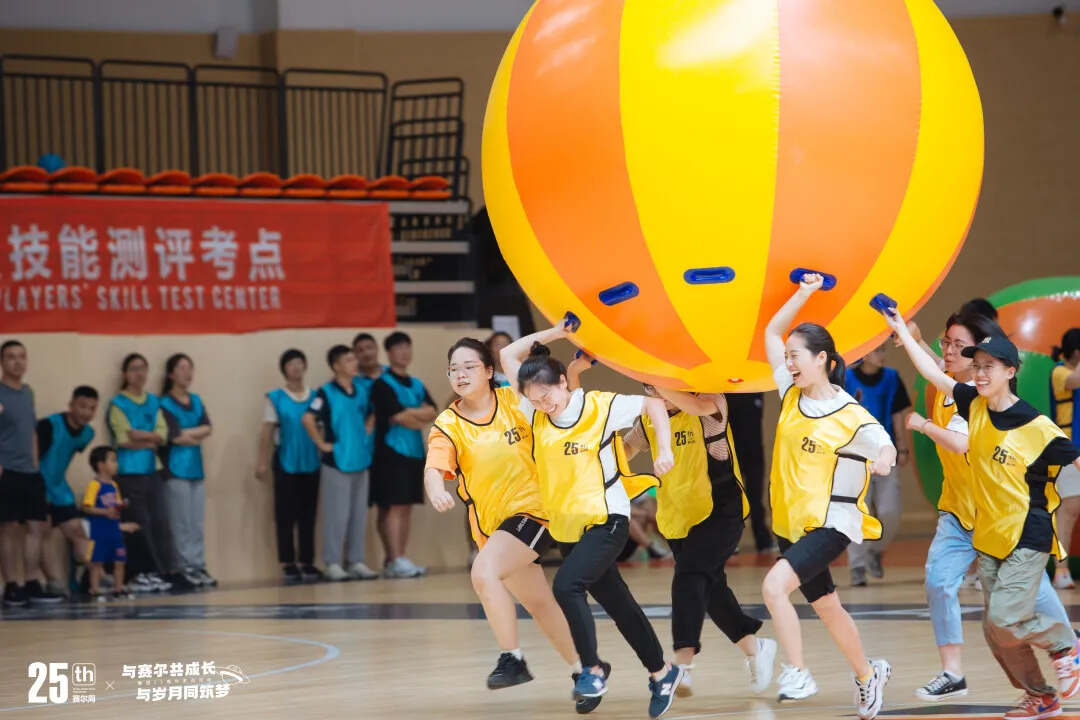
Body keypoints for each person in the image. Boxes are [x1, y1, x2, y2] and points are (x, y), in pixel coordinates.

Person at [888, 310, 1080, 719]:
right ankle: (1041, 696)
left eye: (988, 367)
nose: (979, 373)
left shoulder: (1035, 425)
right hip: (987, 536)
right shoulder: (972, 404)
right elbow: (932, 371)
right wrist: (902, 330)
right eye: (975, 367)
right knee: (996, 631)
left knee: (1004, 618)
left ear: (1010, 371)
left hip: (1025, 535)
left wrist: (922, 426)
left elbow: (1075, 459)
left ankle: (1066, 645)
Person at [501, 323, 685, 720]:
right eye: (534, 398)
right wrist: (556, 331)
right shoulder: (533, 412)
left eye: (547, 394)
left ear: (563, 383)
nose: (542, 403)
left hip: (607, 519)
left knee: (567, 586)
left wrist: (664, 449)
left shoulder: (599, 406)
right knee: (619, 605)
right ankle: (662, 672)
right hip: (568, 527)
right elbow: (507, 356)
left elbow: (653, 406)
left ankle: (592, 670)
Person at [760, 274, 894, 719]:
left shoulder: (850, 414)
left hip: (831, 523)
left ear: (822, 359)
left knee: (773, 587)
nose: (788, 362)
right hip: (791, 523)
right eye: (787, 357)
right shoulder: (790, 393)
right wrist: (804, 293)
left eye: (795, 356)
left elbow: (884, 444)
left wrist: (884, 460)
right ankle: (868, 674)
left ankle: (798, 671)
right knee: (827, 606)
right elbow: (772, 332)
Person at [425, 338, 585, 701]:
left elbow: (554, 397)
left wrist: (559, 335)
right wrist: (435, 489)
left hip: (535, 511)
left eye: (469, 367)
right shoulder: (448, 423)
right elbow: (434, 466)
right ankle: (585, 668)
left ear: (489, 371)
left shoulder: (515, 400)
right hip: (493, 529)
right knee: (539, 603)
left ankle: (512, 659)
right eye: (454, 369)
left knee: (483, 573)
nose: (461, 374)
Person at [619, 383, 777, 697]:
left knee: (689, 576)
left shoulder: (710, 402)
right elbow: (625, 450)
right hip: (679, 517)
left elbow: (695, 406)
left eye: (659, 385)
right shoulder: (649, 419)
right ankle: (756, 647)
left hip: (721, 510)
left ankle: (683, 665)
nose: (655, 393)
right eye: (649, 387)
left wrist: (660, 383)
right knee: (712, 591)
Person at [108, 353, 188, 591]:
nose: (139, 373)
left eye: (143, 368)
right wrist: (147, 438)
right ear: (125, 374)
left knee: (161, 521)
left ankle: (168, 570)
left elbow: (162, 436)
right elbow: (123, 439)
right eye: (134, 369)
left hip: (153, 470)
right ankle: (144, 571)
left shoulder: (154, 402)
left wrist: (141, 435)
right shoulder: (118, 404)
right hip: (129, 472)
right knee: (139, 522)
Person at [303, 345, 378, 581]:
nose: (354, 363)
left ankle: (356, 561)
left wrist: (367, 429)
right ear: (336, 366)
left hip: (360, 459)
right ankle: (332, 562)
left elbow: (372, 412)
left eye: (354, 359)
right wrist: (321, 443)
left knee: (358, 515)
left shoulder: (362, 390)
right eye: (348, 360)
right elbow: (307, 418)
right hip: (336, 462)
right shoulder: (325, 393)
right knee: (336, 515)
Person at [0, 340, 63, 606]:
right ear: (2, 362)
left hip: (30, 471)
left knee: (38, 526)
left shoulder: (28, 393)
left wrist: (36, 465)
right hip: (7, 470)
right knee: (9, 528)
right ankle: (12, 585)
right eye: (11, 357)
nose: (18, 362)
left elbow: (31, 432)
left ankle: (31, 581)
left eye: (22, 356)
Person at [843, 343, 912, 586]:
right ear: (864, 353)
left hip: (885, 453)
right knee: (857, 512)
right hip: (853, 457)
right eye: (878, 350)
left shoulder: (892, 378)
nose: (883, 355)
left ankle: (874, 550)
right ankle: (857, 566)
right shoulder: (846, 378)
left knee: (890, 511)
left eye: (884, 350)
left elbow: (897, 414)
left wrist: (902, 447)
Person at [370, 332, 437, 578]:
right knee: (394, 507)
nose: (404, 352)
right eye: (398, 348)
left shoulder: (416, 383)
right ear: (388, 353)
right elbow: (399, 417)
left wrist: (412, 414)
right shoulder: (381, 384)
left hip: (414, 452)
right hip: (390, 452)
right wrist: (417, 414)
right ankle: (395, 558)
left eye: (407, 347)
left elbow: (432, 411)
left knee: (406, 506)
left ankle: (400, 557)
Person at [258, 349, 322, 584]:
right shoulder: (275, 397)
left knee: (309, 514)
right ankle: (288, 563)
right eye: (291, 364)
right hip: (285, 461)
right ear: (284, 369)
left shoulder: (316, 397)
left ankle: (307, 561)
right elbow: (267, 431)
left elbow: (322, 427)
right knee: (285, 514)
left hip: (311, 461)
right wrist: (262, 461)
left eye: (299, 363)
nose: (296, 367)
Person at [160, 353, 216, 588]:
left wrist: (187, 433)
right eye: (181, 368)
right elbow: (174, 437)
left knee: (196, 523)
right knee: (180, 522)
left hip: (195, 469)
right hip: (175, 469)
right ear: (171, 374)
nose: (187, 373)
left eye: (190, 368)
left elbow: (208, 428)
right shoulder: (164, 403)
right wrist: (192, 434)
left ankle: (197, 565)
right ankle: (183, 567)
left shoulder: (196, 400)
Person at [36, 385, 98, 595]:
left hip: (59, 488)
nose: (86, 412)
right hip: (37, 485)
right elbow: (33, 458)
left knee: (77, 530)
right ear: (71, 405)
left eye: (92, 408)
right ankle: (54, 583)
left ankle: (95, 574)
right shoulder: (48, 426)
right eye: (82, 406)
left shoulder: (87, 434)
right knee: (42, 532)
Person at [82, 446, 138, 600]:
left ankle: (118, 588)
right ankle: (95, 590)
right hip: (99, 533)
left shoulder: (114, 486)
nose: (116, 464)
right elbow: (86, 507)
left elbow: (116, 506)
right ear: (101, 465)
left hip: (114, 532)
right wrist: (105, 512)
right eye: (112, 460)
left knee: (120, 560)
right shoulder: (94, 485)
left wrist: (121, 507)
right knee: (96, 562)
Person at [725, 392, 774, 551]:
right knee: (731, 497)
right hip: (732, 454)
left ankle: (763, 540)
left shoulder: (756, 388)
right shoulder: (725, 392)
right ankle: (730, 542)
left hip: (754, 453)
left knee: (756, 496)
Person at [1051, 328, 1080, 589]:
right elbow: (1075, 381)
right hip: (1070, 451)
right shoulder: (1059, 372)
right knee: (1069, 510)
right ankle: (1061, 570)